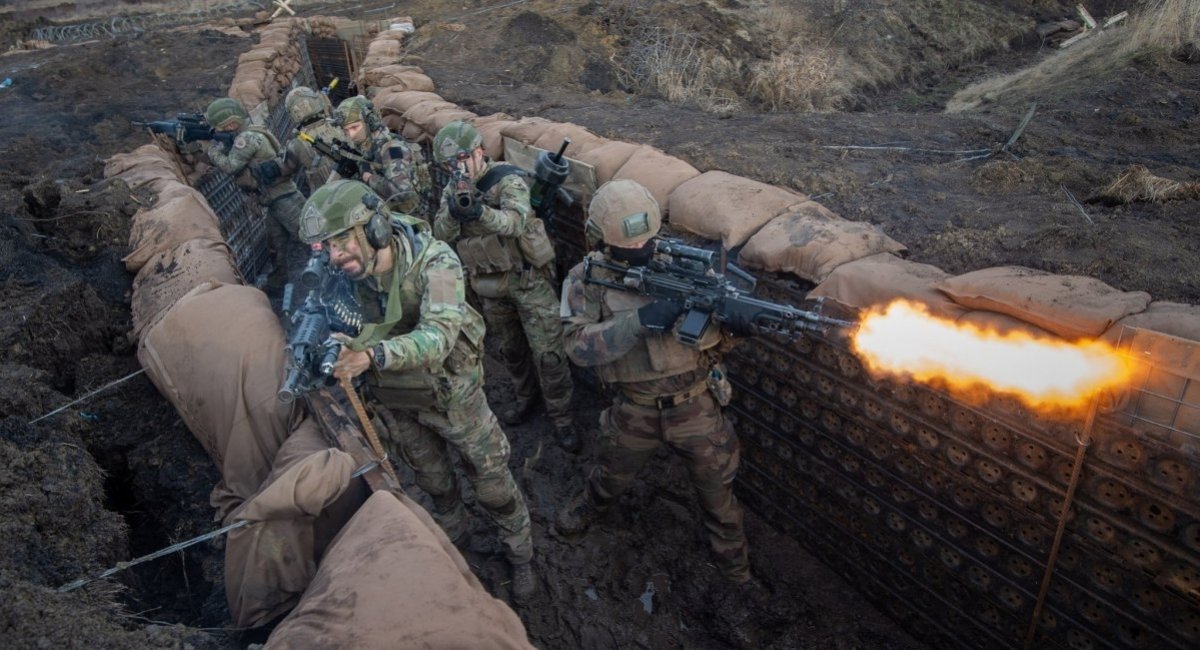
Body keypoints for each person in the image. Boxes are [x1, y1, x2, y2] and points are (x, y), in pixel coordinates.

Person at [297, 179, 537, 604]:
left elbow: (439, 336)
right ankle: (453, 549)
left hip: (452, 396)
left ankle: (521, 556)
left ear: (374, 230)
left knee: (492, 483)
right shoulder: (343, 274)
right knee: (433, 482)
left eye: (342, 242)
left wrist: (371, 356)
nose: (336, 257)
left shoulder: (436, 260)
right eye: (327, 249)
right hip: (397, 401)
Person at [553, 179, 751, 583]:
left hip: (695, 403)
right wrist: (637, 322)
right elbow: (576, 347)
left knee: (719, 496)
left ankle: (736, 569)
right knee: (610, 476)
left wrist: (738, 322)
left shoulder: (689, 266)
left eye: (644, 243)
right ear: (600, 240)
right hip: (634, 407)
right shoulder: (585, 278)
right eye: (627, 248)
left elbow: (721, 341)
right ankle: (592, 505)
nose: (639, 252)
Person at [430, 121, 578, 453]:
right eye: (448, 166)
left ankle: (562, 417)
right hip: (490, 285)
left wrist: (479, 211)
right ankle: (526, 397)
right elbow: (439, 234)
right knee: (510, 350)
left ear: (478, 152)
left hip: (528, 281)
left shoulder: (507, 180)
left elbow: (515, 223)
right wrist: (455, 212)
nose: (456, 171)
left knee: (550, 356)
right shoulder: (452, 190)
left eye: (460, 162)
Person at [204, 97, 304, 289]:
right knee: (276, 244)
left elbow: (231, 165)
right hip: (272, 199)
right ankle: (278, 282)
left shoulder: (246, 138)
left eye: (219, 127)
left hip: (283, 197)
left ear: (231, 123)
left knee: (308, 235)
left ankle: (337, 274)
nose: (217, 131)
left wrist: (212, 151)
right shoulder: (253, 130)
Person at [332, 95, 431, 217]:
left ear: (370, 122)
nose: (351, 135)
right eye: (346, 130)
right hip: (385, 213)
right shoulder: (366, 144)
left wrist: (368, 178)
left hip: (408, 219)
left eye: (354, 127)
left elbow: (402, 192)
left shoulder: (394, 149)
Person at [254, 85, 351, 195]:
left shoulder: (297, 144)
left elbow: (285, 168)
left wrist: (261, 169)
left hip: (327, 195)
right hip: (354, 184)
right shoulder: (337, 125)